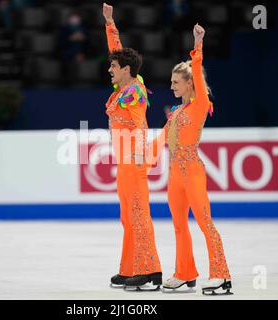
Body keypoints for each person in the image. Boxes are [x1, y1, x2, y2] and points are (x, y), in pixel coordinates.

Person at [148, 23, 232, 295]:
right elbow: (162, 137)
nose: (171, 86)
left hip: (193, 171)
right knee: (179, 225)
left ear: (188, 84)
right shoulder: (175, 111)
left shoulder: (198, 106)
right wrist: (143, 158)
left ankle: (221, 275)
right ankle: (185, 274)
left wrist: (198, 44)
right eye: (171, 81)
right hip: (175, 175)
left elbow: (197, 69)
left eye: (175, 82)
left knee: (205, 222)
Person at [102, 3, 162, 291]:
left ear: (125, 71)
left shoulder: (134, 91)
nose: (109, 69)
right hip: (124, 162)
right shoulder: (128, 82)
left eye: (114, 67)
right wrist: (110, 22)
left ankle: (151, 270)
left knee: (139, 215)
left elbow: (139, 124)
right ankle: (130, 268)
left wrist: (138, 153)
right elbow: (118, 51)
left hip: (134, 160)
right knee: (128, 216)